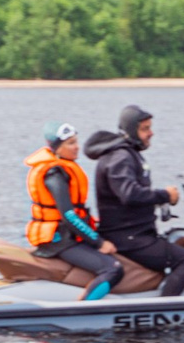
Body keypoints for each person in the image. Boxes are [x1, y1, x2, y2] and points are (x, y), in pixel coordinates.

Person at [83, 105, 184, 298]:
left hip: (135, 234)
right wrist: (164, 195)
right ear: (131, 131)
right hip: (129, 240)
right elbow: (129, 194)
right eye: (145, 129)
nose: (151, 133)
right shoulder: (120, 157)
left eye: (150, 128)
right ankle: (165, 310)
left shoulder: (127, 154)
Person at [23, 121, 118, 302]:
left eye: (76, 141)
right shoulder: (55, 174)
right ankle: (83, 308)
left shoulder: (63, 167)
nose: (77, 147)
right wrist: (99, 243)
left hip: (65, 236)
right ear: (58, 148)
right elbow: (68, 216)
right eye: (71, 143)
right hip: (59, 241)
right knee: (112, 268)